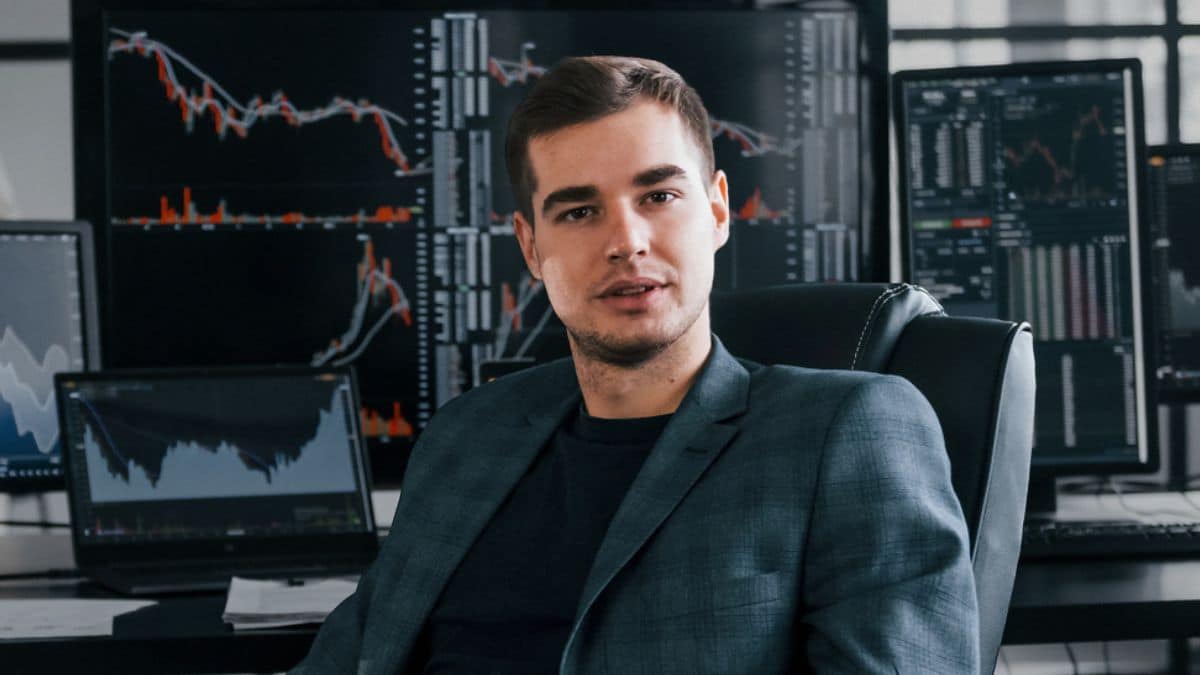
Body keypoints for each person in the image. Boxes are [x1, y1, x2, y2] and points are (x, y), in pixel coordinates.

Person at [292, 56, 978, 675]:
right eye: (581, 210)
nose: (626, 241)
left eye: (658, 196)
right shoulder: (464, 437)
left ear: (715, 210)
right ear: (531, 247)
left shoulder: (848, 431)